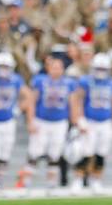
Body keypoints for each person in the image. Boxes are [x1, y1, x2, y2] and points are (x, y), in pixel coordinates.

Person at [21, 56, 79, 192]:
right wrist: (30, 121)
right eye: (54, 67)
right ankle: (26, 182)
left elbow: (73, 104)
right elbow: (31, 102)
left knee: (55, 153)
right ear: (48, 68)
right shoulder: (40, 81)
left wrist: (75, 123)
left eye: (59, 68)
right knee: (34, 152)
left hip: (60, 122)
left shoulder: (69, 83)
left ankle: (51, 183)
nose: (56, 70)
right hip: (41, 121)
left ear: (63, 70)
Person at [73, 53, 112, 193]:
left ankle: (96, 180)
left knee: (101, 152)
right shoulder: (85, 81)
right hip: (90, 121)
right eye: (98, 69)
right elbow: (78, 100)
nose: (100, 72)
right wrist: (80, 119)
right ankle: (78, 179)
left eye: (103, 69)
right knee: (85, 152)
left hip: (105, 122)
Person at [0, 52, 30, 193]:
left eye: (6, 66)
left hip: (8, 121)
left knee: (4, 154)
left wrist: (19, 109)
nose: (3, 69)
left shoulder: (16, 80)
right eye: (1, 66)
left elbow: (28, 95)